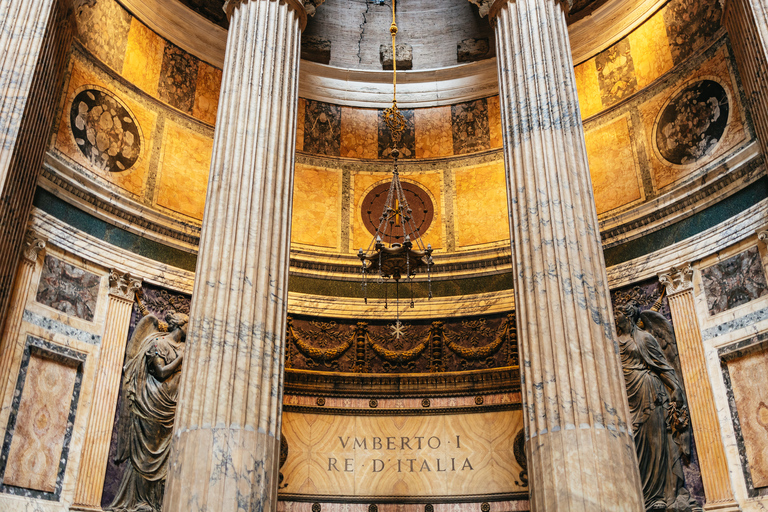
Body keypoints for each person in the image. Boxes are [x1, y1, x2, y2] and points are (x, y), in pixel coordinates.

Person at [615, 304, 701, 512]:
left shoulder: (644, 338)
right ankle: (642, 496)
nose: (614, 317)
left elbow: (662, 366)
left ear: (628, 316)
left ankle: (660, 496)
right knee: (635, 445)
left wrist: (675, 389)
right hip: (626, 398)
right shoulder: (613, 344)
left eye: (617, 313)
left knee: (656, 444)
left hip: (649, 393)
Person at [106, 308, 188, 512]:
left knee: (166, 457)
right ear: (179, 325)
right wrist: (181, 359)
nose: (190, 329)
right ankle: (138, 501)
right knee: (146, 455)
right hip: (152, 403)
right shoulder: (158, 344)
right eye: (187, 324)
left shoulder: (184, 347)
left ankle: (156, 503)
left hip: (172, 407)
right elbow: (160, 372)